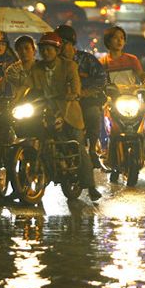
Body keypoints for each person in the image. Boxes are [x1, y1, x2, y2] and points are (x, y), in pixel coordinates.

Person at [26, 32, 101, 201]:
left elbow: (75, 86)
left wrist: (73, 94)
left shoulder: (69, 66)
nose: (45, 52)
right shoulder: (36, 68)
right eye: (43, 49)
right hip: (44, 110)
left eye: (49, 49)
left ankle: (90, 186)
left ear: (57, 50)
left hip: (68, 111)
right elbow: (27, 87)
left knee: (78, 146)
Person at [100, 25, 145, 162]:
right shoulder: (103, 62)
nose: (119, 41)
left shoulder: (132, 59)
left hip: (132, 100)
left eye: (122, 38)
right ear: (108, 41)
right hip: (112, 101)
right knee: (102, 117)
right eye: (115, 38)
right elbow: (100, 82)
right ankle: (104, 148)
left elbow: (142, 77)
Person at [56, 25, 108, 170]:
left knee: (93, 114)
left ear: (71, 44)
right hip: (62, 102)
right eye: (57, 44)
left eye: (63, 43)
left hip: (86, 100)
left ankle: (92, 149)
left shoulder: (87, 59)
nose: (59, 48)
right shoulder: (55, 62)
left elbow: (101, 79)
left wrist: (85, 92)